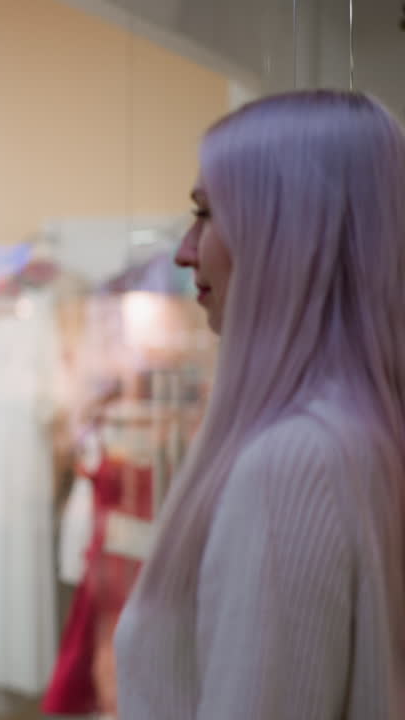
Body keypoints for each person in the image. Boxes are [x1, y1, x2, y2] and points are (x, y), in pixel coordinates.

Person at [114, 90, 405, 718]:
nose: (185, 250)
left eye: (207, 213)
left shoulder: (292, 463)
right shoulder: (361, 437)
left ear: (289, 233)